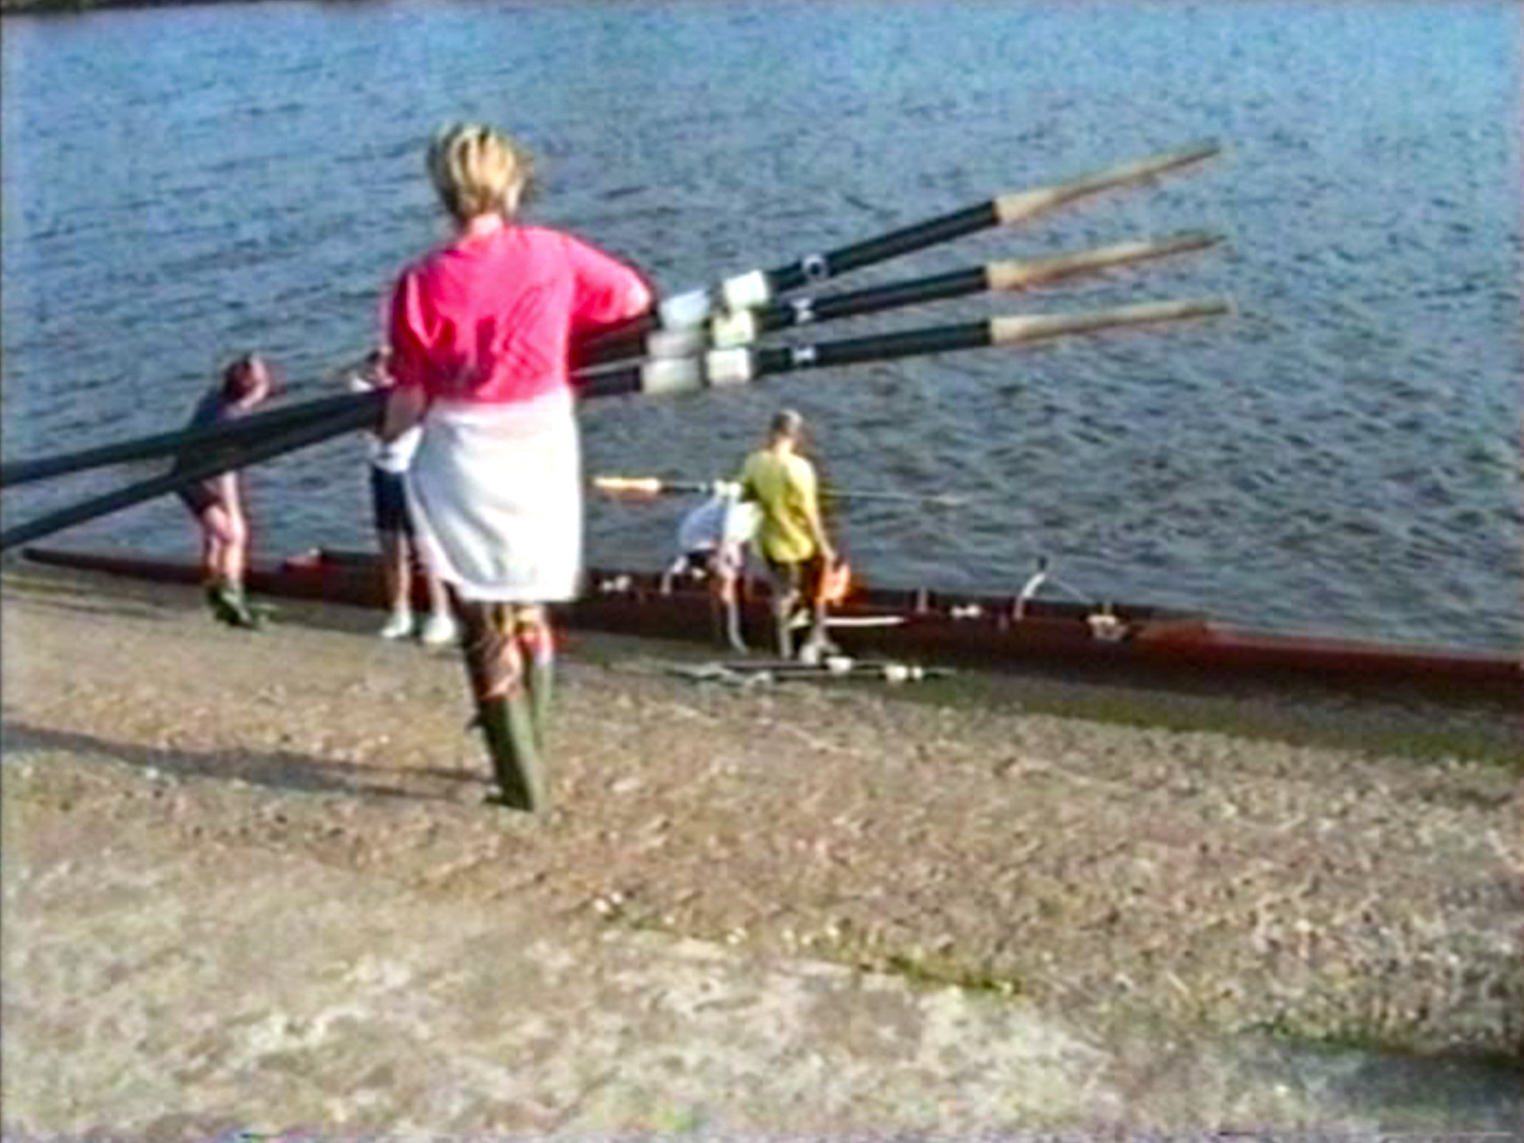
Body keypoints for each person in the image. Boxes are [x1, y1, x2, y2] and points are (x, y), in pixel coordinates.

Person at [381, 121, 652, 811]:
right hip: (540, 437)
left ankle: (516, 774)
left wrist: (388, 447)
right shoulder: (553, 253)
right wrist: (561, 328)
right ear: (513, 184)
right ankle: (535, 747)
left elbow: (410, 395)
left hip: (463, 447)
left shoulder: (419, 282)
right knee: (529, 597)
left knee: (483, 609)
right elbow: (632, 300)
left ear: (441, 192)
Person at [347, 349, 457, 645]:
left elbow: (392, 432)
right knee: (392, 546)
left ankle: (441, 613)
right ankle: (400, 611)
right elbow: (349, 378)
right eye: (376, 367)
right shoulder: (366, 397)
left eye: (385, 367)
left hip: (412, 474)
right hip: (382, 474)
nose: (379, 372)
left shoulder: (411, 396)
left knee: (425, 548)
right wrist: (373, 366)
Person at [173, 353, 274, 629]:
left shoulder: (214, 399)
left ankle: (213, 593)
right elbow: (226, 475)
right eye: (263, 380)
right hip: (193, 481)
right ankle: (232, 600)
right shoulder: (230, 422)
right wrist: (234, 514)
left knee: (214, 539)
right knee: (234, 537)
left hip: (186, 474)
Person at [737, 409, 841, 661]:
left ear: (770, 432)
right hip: (797, 543)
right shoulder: (799, 468)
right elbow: (809, 511)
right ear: (796, 435)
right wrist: (824, 545)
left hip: (767, 541)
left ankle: (785, 646)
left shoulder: (754, 462)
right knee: (816, 586)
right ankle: (814, 637)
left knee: (781, 592)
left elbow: (744, 496)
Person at [663, 480, 761, 651]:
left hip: (719, 536)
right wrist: (723, 565)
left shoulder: (756, 514)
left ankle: (724, 629)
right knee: (727, 578)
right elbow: (725, 536)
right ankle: (731, 635)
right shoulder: (737, 511)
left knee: (732, 572)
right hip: (697, 540)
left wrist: (746, 573)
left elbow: (747, 544)